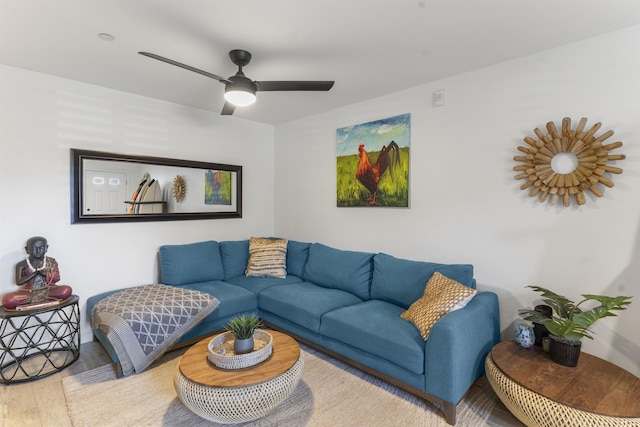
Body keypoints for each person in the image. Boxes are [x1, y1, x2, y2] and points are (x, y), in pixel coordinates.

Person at [2, 236, 72, 309]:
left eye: (41, 248)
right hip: (29, 292)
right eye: (34, 248)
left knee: (67, 290)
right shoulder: (22, 265)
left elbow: (57, 278)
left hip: (49, 290)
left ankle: (39, 299)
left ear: (46, 248)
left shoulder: (51, 262)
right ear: (27, 249)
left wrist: (45, 274)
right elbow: (19, 282)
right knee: (8, 299)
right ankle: (38, 299)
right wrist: (33, 274)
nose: (38, 251)